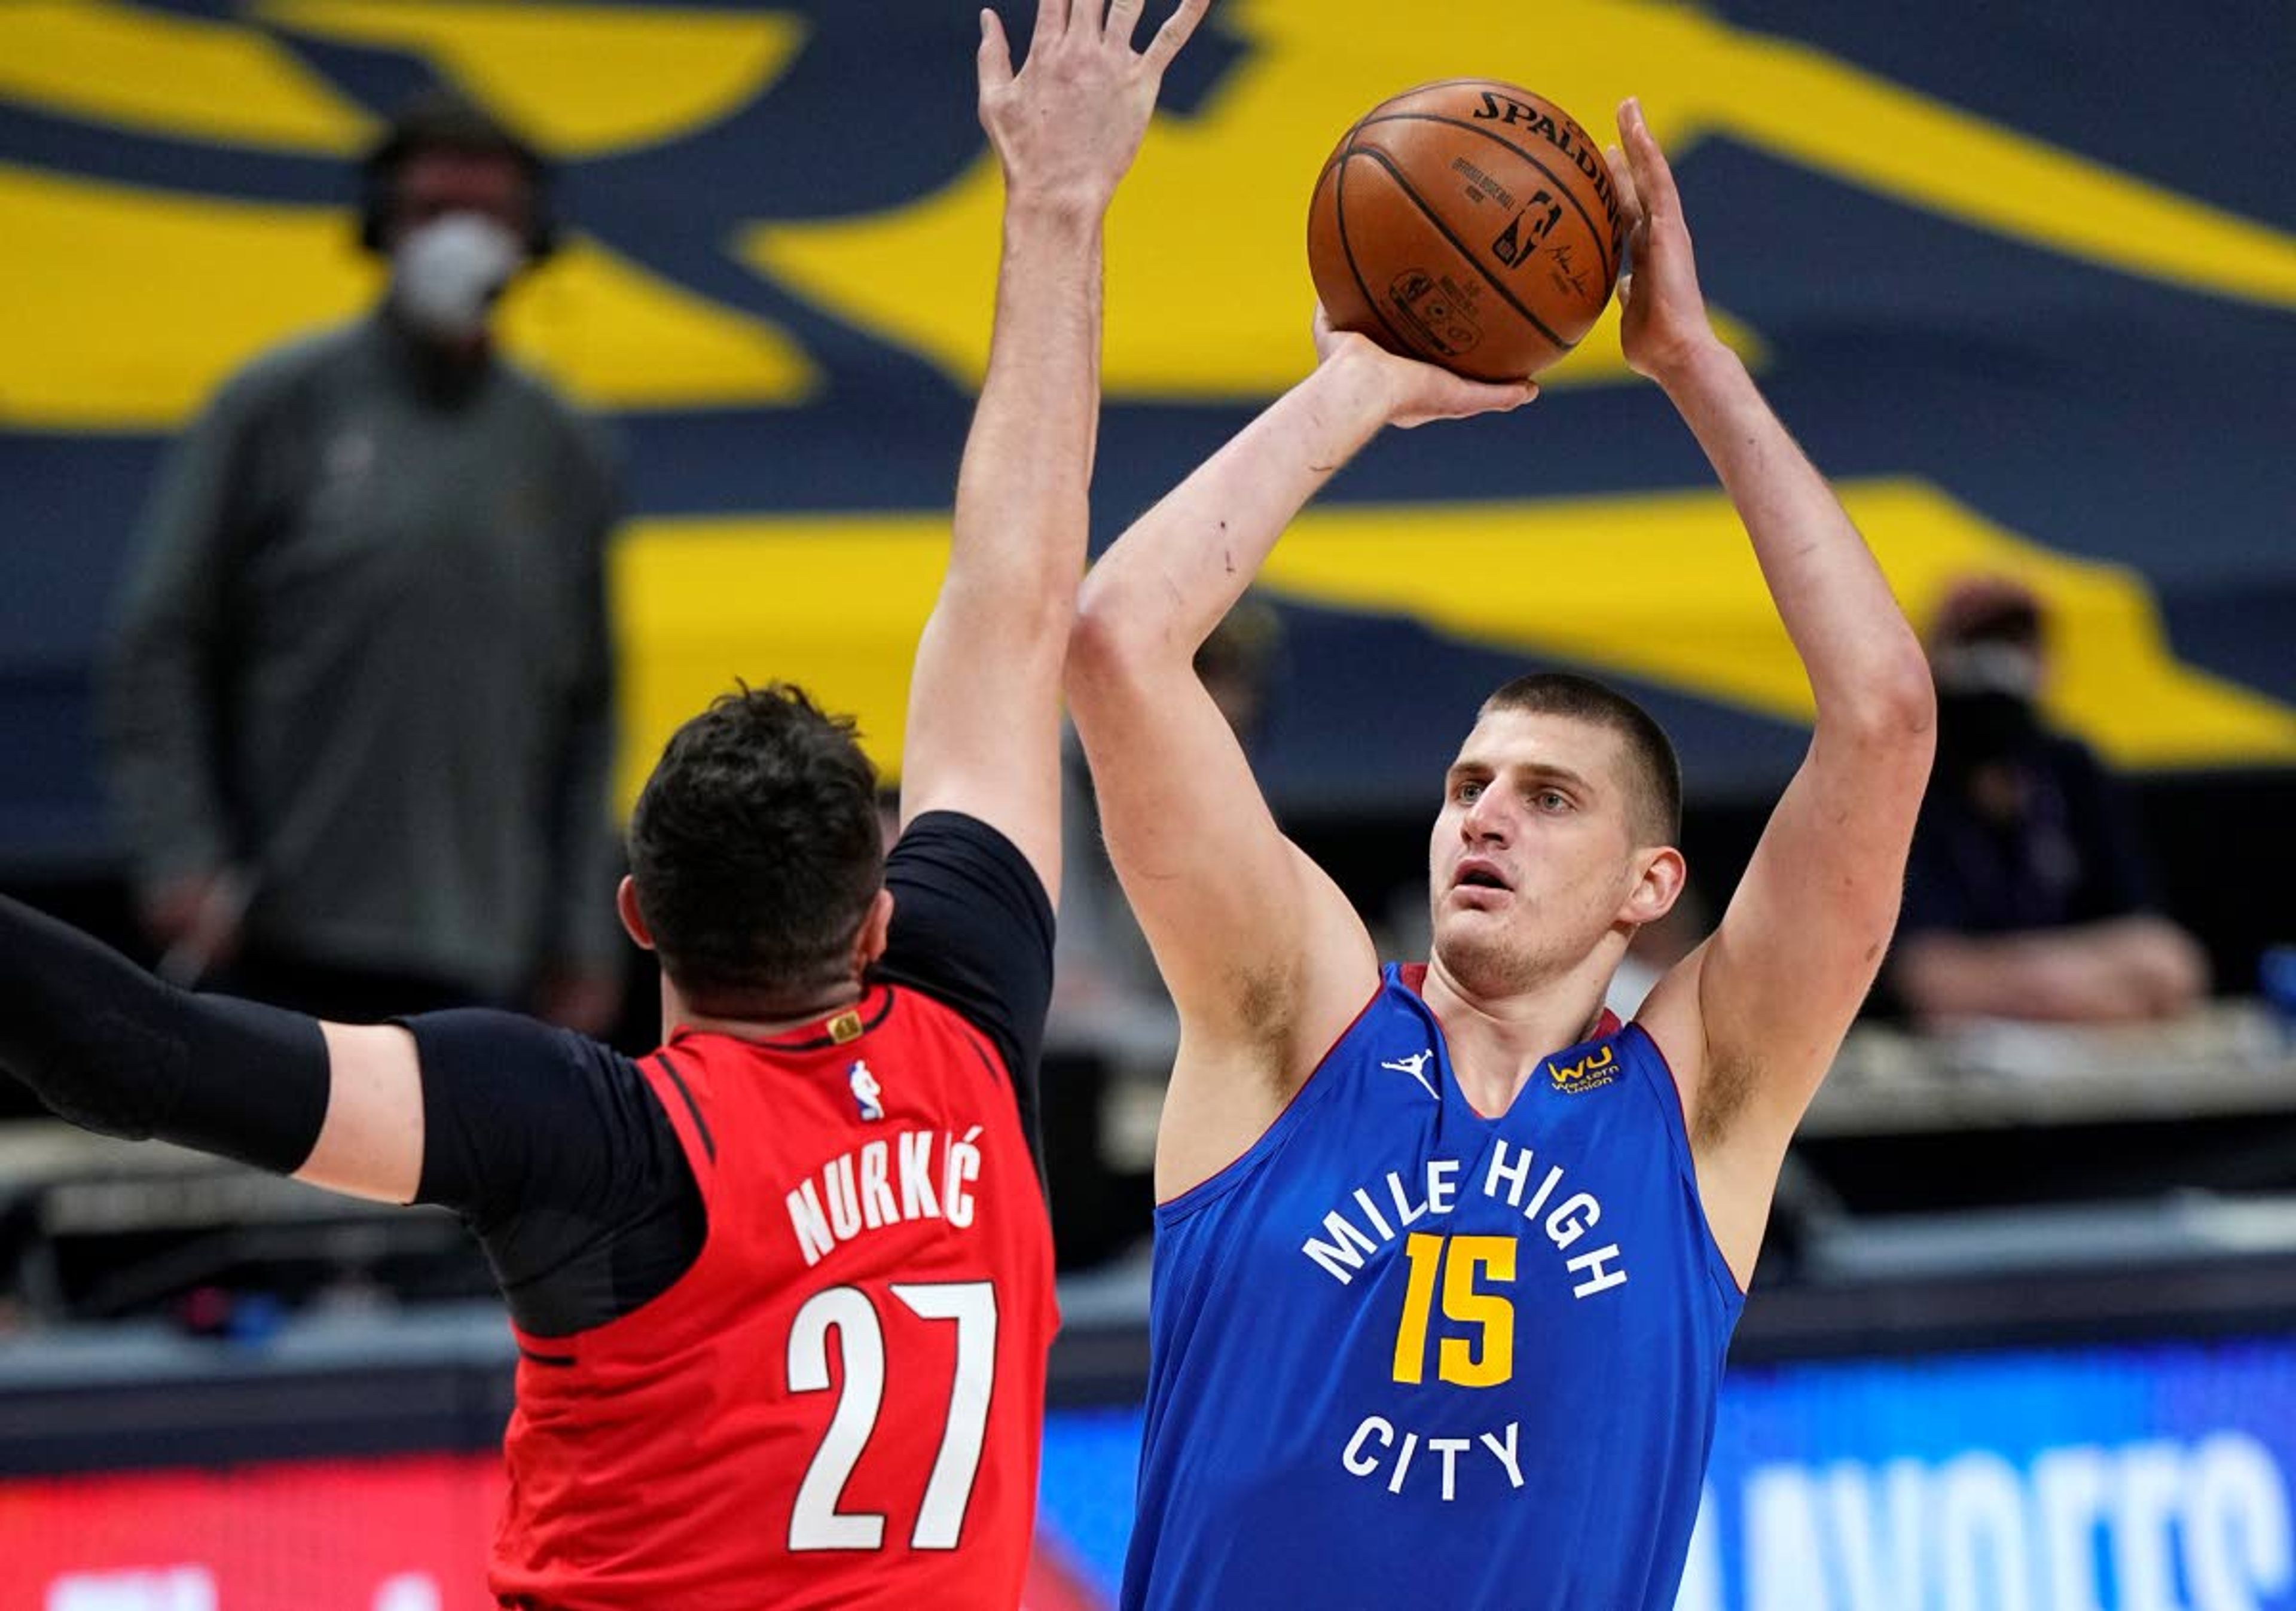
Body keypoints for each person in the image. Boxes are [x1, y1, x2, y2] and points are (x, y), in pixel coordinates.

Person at [4, 2, 1205, 1605]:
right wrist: (1061, 206)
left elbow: (134, 1050)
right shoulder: (970, 1019)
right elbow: (1016, 587)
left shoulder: (592, 1137)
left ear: (640, 910)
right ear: (878, 913)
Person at [1063, 99, 1936, 1608]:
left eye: (1545, 796)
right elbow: (1116, 639)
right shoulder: (1298, 1019)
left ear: (1645, 888)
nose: (1481, 811)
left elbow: (1881, 714)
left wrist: (1693, 366)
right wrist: (1355, 385)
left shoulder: (1702, 1100)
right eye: (1468, 779)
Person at [100, 86, 624, 1032]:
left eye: (488, 215)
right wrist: (181, 852)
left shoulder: (562, 446)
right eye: (433, 212)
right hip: (281, 932)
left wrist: (585, 931)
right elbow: (163, 640)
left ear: (530, 239)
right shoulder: (275, 407)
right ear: (381, 226)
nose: (460, 239)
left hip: (492, 950)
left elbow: (588, 704)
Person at [1888, 575, 2209, 1023]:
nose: (1996, 664)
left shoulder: (2069, 766)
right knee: (1935, 979)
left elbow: (2144, 928)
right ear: (1937, 656)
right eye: (1978, 644)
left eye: (2014, 643)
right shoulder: (1909, 770)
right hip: (1969, 978)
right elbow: (1921, 966)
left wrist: (2050, 981)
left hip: (2056, 967)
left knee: (2169, 961)